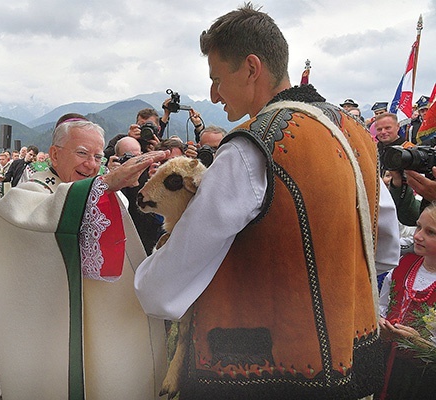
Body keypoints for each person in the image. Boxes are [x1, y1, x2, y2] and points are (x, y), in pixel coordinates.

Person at [134, 5, 400, 399]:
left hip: (260, 372)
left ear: (252, 67)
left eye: (217, 78)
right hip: (351, 363)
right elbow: (384, 248)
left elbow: (167, 282)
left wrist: (138, 285)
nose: (213, 93)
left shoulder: (251, 147)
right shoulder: (356, 133)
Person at [0, 119, 168, 399]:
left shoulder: (103, 193)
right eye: (82, 153)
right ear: (55, 154)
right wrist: (105, 184)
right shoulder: (32, 192)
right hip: (53, 331)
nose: (92, 165)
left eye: (98, 157)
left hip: (102, 327)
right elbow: (27, 213)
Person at [378, 202, 436, 399]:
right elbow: (382, 306)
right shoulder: (402, 265)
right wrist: (380, 323)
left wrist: (417, 342)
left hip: (421, 379)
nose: (417, 235)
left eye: (431, 232)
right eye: (418, 227)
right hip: (386, 364)